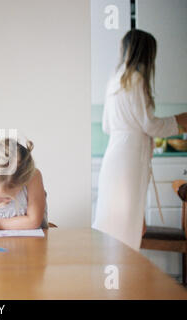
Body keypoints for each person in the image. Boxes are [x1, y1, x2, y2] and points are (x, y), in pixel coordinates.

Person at [92, 29, 187, 251]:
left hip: (115, 154)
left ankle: (112, 278)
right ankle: (123, 278)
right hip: (130, 158)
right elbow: (150, 125)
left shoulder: (116, 80)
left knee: (114, 220)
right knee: (128, 223)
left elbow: (107, 126)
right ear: (146, 54)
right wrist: (180, 121)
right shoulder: (136, 79)